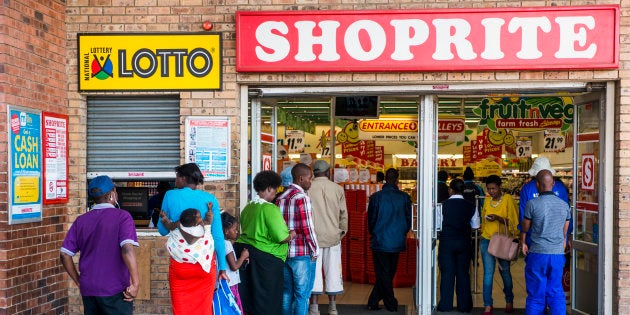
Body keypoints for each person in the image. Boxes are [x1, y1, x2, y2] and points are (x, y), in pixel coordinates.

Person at [60, 175, 140, 314]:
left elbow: (64, 254)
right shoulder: (122, 217)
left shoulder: (81, 220)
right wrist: (135, 283)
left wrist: (79, 282)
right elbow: (127, 250)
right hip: (115, 289)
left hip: (89, 289)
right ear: (112, 194)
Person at [156, 163, 228, 314]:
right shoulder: (210, 199)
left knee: (181, 310)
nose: (175, 181)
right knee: (203, 309)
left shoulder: (170, 195)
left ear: (183, 179)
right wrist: (222, 267)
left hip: (180, 266)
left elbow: (162, 230)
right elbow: (218, 236)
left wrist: (168, 220)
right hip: (205, 266)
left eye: (177, 177)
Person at [235, 170, 296, 315]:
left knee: (251, 298)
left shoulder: (248, 207)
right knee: (268, 300)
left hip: (245, 253)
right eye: (275, 189)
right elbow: (281, 237)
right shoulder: (270, 208)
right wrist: (292, 234)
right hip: (266, 259)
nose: (275, 193)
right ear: (269, 188)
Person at [521, 170, 571, 315]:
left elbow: (525, 226)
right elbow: (564, 231)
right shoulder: (564, 205)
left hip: (537, 254)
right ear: (553, 184)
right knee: (556, 292)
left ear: (537, 184)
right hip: (557, 255)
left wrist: (523, 240)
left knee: (536, 294)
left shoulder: (532, 204)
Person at [276, 163, 320, 315]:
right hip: (301, 253)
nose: (311, 182)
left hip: (284, 252)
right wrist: (315, 250)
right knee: (302, 295)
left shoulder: (279, 198)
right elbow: (308, 228)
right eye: (310, 178)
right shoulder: (302, 198)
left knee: (286, 292)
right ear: (301, 178)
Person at [366, 168, 412, 312]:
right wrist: (401, 233)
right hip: (397, 240)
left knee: (384, 273)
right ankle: (385, 302)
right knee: (388, 273)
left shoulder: (376, 197)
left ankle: (382, 302)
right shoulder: (404, 197)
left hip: (380, 240)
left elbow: (371, 221)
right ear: (397, 179)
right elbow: (408, 220)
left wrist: (375, 233)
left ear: (385, 178)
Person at [308, 160, 348, 315]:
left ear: (313, 173)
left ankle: (314, 308)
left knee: (314, 273)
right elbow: (343, 215)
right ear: (328, 172)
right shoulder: (338, 189)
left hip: (313, 238)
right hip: (333, 237)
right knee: (333, 273)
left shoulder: (308, 188)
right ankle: (332, 307)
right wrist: (341, 232)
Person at [160, 207, 216, 314]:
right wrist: (209, 211)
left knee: (181, 308)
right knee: (203, 308)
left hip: (181, 273)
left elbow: (169, 225)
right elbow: (209, 221)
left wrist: (164, 218)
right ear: (195, 224)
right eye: (199, 217)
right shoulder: (203, 228)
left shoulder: (179, 225)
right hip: (203, 271)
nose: (201, 218)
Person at [479, 175, 519, 315]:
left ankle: (509, 301)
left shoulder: (508, 200)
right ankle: (487, 305)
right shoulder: (487, 200)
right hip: (486, 240)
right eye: (489, 189)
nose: (491, 191)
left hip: (503, 241)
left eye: (494, 188)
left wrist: (498, 218)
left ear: (499, 186)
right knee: (488, 274)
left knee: (505, 272)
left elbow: (514, 222)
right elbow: (483, 220)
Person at [437, 179, 476, 313]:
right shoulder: (471, 205)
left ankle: (445, 305)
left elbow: (438, 225)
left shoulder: (442, 205)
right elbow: (476, 225)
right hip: (464, 242)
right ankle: (464, 306)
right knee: (463, 274)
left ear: (450, 190)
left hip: (447, 242)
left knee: (447, 274)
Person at [518, 156, 572, 248]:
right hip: (557, 239)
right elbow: (567, 216)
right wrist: (567, 238)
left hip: (534, 240)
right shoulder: (560, 187)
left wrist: (523, 241)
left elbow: (523, 217)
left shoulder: (527, 189)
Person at [221, 212, 249, 315]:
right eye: (234, 229)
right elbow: (234, 266)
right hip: (231, 284)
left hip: (223, 284)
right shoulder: (227, 244)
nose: (237, 232)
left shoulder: (218, 242)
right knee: (234, 310)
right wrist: (243, 256)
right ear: (226, 231)